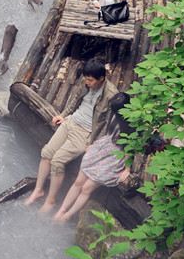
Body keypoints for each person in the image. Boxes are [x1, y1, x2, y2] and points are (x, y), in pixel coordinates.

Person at [25, 58, 118, 213]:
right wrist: (64, 115)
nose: (87, 83)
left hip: (86, 132)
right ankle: (38, 190)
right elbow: (75, 99)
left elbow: (108, 123)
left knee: (57, 161)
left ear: (101, 78)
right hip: (72, 122)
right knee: (46, 153)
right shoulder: (86, 83)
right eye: (86, 79)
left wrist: (94, 142)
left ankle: (50, 200)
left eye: (90, 80)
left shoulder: (111, 95)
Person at [52, 92, 133, 223]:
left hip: (116, 155)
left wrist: (127, 169)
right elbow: (107, 132)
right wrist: (94, 144)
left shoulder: (132, 124)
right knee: (78, 182)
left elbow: (131, 148)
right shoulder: (114, 113)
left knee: (86, 188)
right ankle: (61, 210)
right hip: (104, 146)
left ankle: (67, 216)